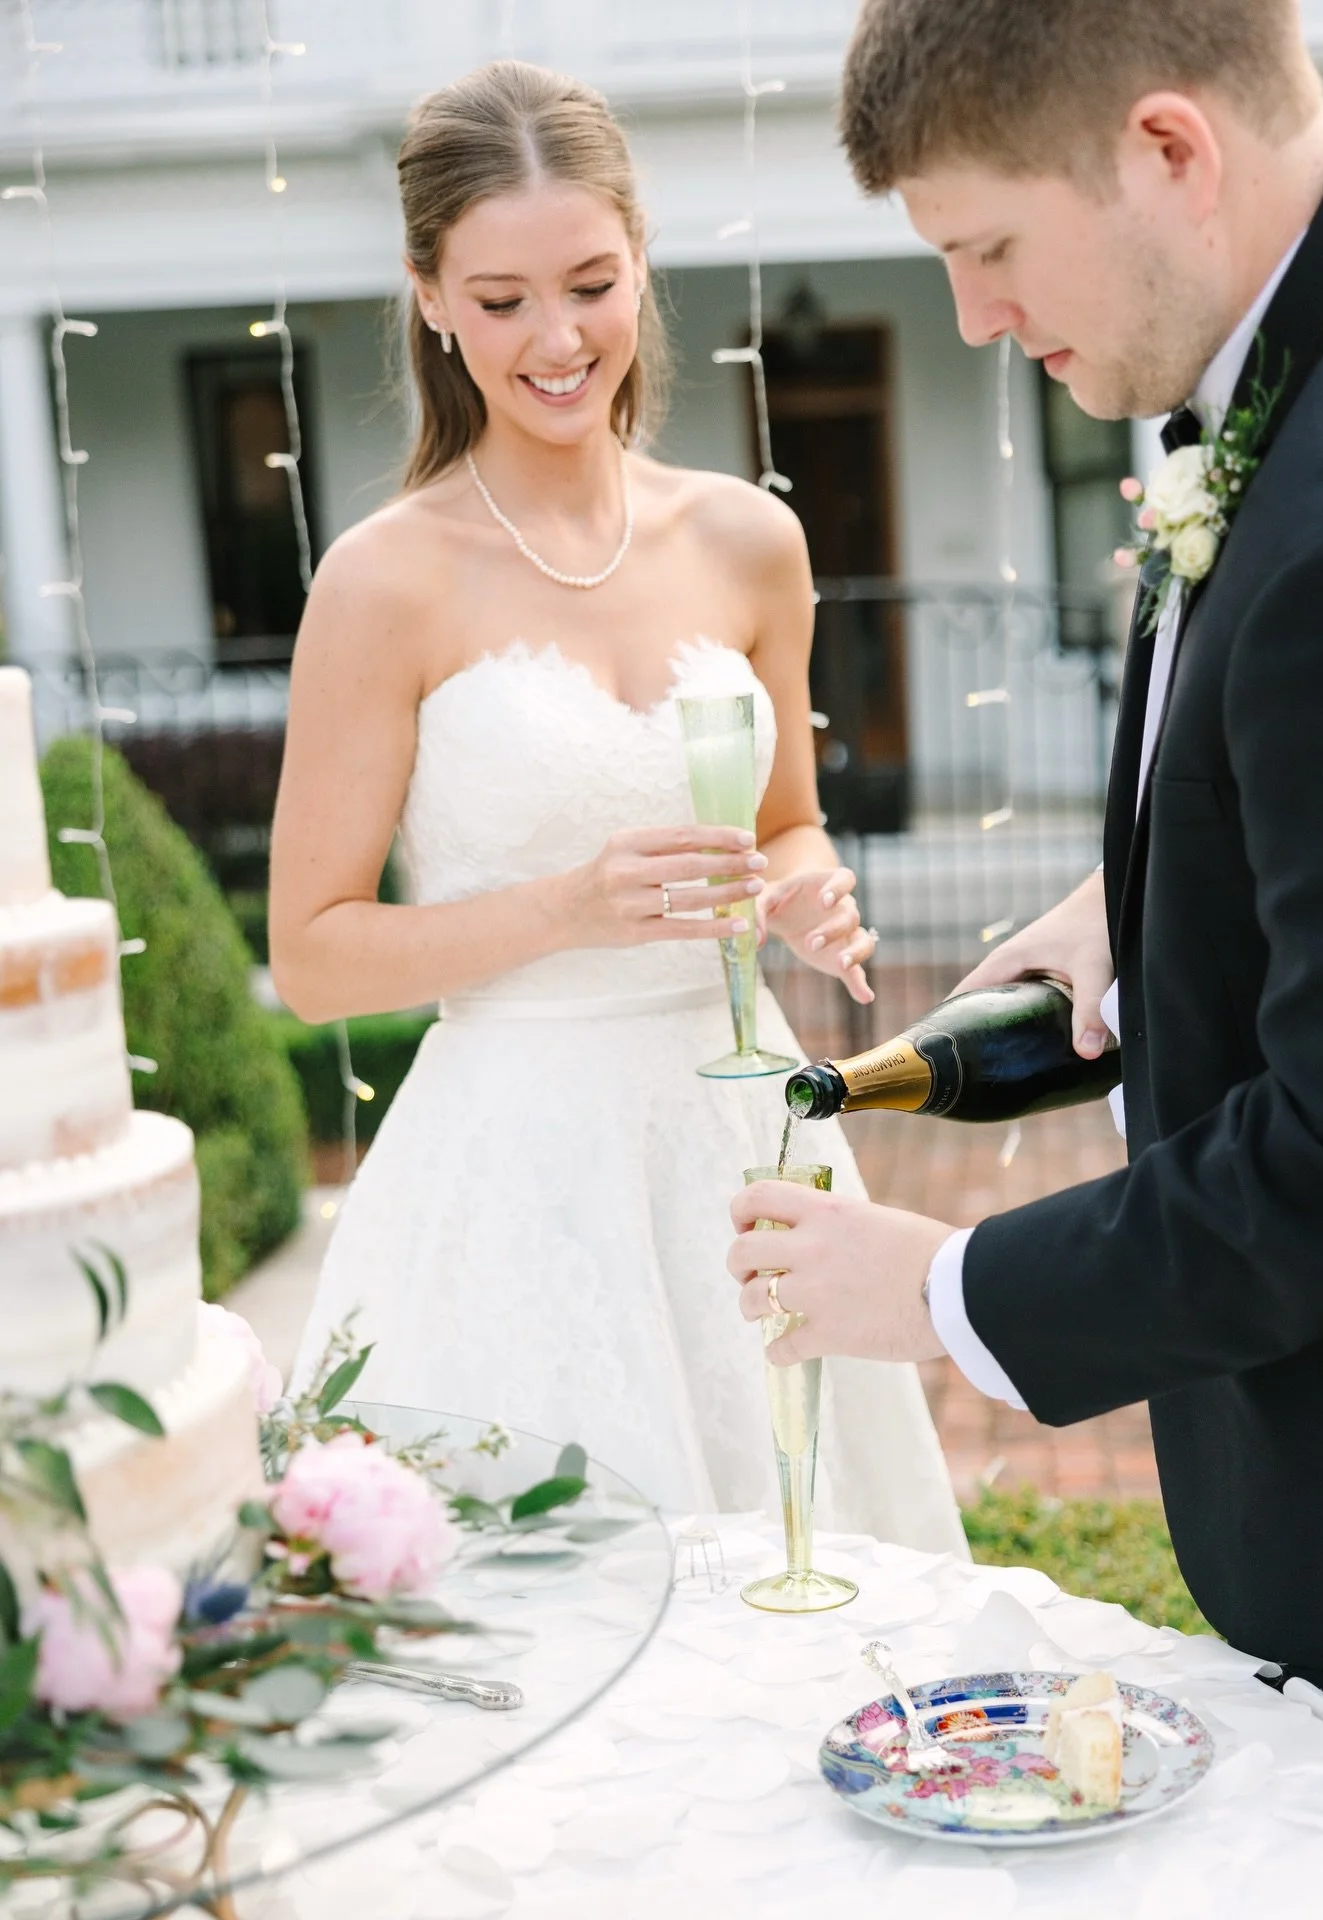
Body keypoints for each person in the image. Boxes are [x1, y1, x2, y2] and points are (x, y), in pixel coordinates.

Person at [730, 0, 1323, 1783]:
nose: (973, 316)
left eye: (986, 247)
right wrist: (1147, 899)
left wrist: (949, 1291)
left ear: (1168, 152)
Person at [271, 60, 961, 1550]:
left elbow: (787, 818)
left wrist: (806, 887)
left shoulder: (751, 542)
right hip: (514, 1173)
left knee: (804, 1559)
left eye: (590, 281)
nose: (558, 337)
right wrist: (562, 909)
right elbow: (315, 951)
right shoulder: (381, 582)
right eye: (503, 297)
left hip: (741, 1139)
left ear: (640, 258)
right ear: (431, 295)